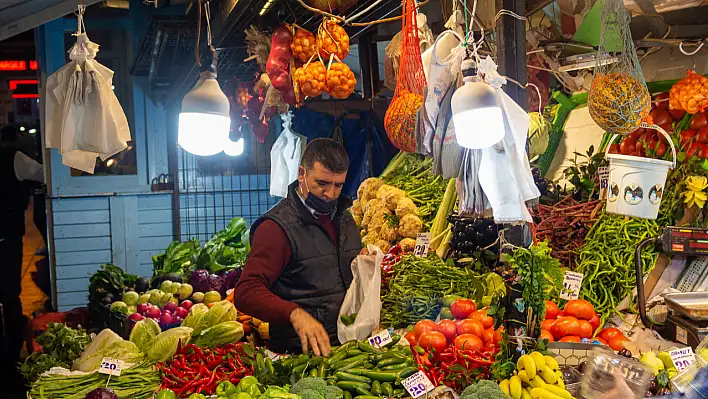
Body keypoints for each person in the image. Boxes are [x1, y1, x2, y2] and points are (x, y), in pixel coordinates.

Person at [234, 138, 361, 356]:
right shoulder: (276, 228)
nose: (330, 194)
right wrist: (294, 314)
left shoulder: (346, 218)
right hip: (299, 356)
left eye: (338, 185)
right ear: (301, 174)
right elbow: (246, 292)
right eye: (321, 183)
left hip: (349, 351)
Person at [0, 124, 44, 392]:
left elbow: (41, 173)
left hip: (6, 239)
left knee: (7, 295)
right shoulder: (14, 158)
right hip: (7, 239)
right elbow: (42, 173)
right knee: (9, 295)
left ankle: (9, 355)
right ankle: (12, 355)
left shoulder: (13, 157)